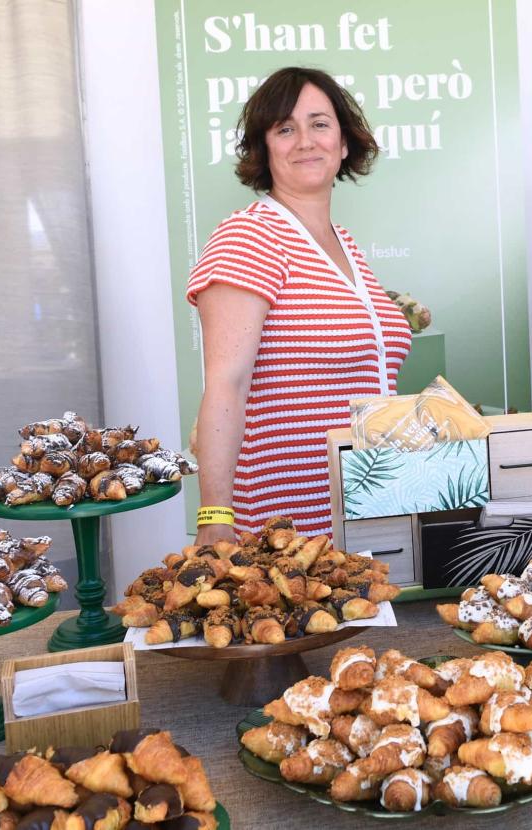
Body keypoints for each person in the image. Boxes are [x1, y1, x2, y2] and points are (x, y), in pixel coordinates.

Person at [186, 67, 412, 544]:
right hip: (284, 528)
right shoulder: (250, 236)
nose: (305, 140)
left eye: (320, 124)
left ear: (344, 143)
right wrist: (214, 521)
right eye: (285, 129)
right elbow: (226, 384)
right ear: (265, 150)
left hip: (367, 515)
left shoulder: (344, 245)